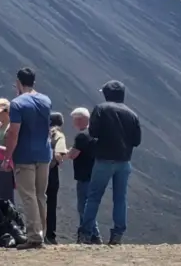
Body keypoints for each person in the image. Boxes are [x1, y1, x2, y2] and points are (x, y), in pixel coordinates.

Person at [80, 80, 141, 245]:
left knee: (93, 197)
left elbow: (93, 132)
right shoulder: (132, 114)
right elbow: (136, 141)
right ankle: (117, 235)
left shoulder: (101, 109)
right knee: (120, 198)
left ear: (107, 94)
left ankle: (85, 234)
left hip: (104, 160)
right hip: (124, 162)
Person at [3, 67, 52, 249]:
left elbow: (14, 132)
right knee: (41, 195)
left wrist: (8, 157)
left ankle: (34, 236)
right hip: (44, 154)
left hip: (25, 155)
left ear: (18, 82)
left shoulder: (17, 103)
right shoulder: (46, 101)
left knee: (28, 195)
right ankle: (41, 234)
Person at [68, 107, 97, 243]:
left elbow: (74, 154)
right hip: (95, 174)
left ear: (80, 120)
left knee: (83, 207)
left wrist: (66, 153)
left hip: (84, 175)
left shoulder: (81, 136)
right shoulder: (96, 133)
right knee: (90, 205)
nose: (73, 123)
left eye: (74, 120)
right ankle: (93, 236)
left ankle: (89, 236)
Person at [46, 111, 69, 244]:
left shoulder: (43, 133)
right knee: (51, 203)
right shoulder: (58, 135)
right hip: (51, 172)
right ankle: (50, 235)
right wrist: (60, 160)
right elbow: (59, 154)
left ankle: (37, 231)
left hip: (37, 170)